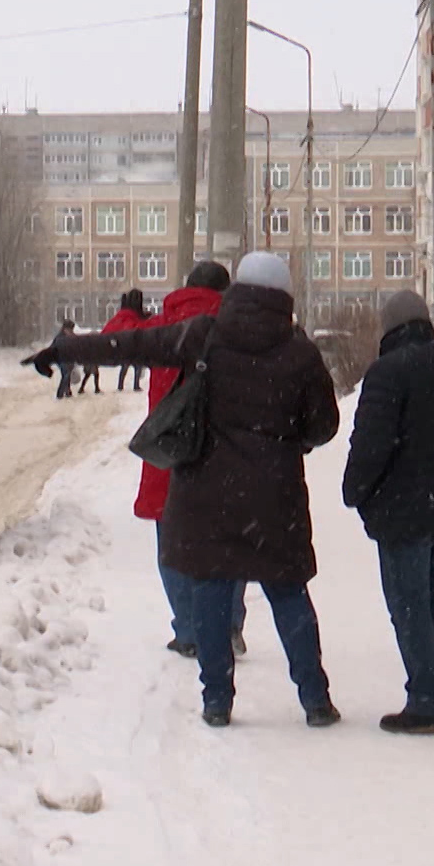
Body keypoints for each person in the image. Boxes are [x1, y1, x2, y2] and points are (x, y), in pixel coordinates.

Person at [27, 252, 341, 728]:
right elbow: (324, 426)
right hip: (275, 498)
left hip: (206, 491)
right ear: (285, 296)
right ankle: (315, 700)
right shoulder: (300, 352)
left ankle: (217, 701)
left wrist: (66, 349)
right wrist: (287, 440)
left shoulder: (204, 335)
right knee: (289, 594)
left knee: (212, 594)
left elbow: (132, 346)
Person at [342, 291, 434, 735]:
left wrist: (355, 491)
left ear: (389, 327)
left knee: (409, 604)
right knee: (432, 595)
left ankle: (424, 700)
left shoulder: (387, 372)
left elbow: (372, 442)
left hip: (404, 510)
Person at [125, 267, 247, 660]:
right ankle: (227, 626)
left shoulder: (164, 325)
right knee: (230, 544)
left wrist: (130, 314)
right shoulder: (234, 327)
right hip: (225, 456)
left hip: (170, 454)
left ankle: (191, 629)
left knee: (173, 547)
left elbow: (117, 337)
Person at [106, 291, 148, 394]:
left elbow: (106, 337)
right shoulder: (138, 320)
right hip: (135, 350)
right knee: (136, 368)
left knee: (126, 368)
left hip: (125, 350)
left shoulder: (118, 319)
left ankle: (121, 385)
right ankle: (135, 385)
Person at [51, 320, 77, 400]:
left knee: (67, 375)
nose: (71, 331)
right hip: (61, 359)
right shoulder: (59, 338)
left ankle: (68, 391)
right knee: (65, 375)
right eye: (69, 329)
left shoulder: (72, 336)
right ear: (65, 329)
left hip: (69, 359)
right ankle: (60, 394)